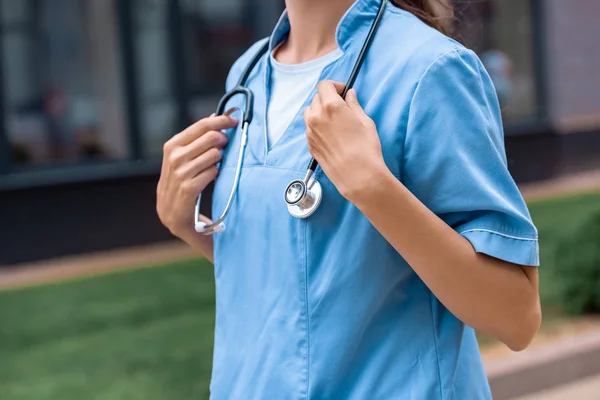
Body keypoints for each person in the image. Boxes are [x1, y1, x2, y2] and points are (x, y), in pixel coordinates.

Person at [157, 0, 541, 398]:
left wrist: (372, 186)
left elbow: (516, 316)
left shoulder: (428, 68)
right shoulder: (248, 74)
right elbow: (301, 276)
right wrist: (185, 225)